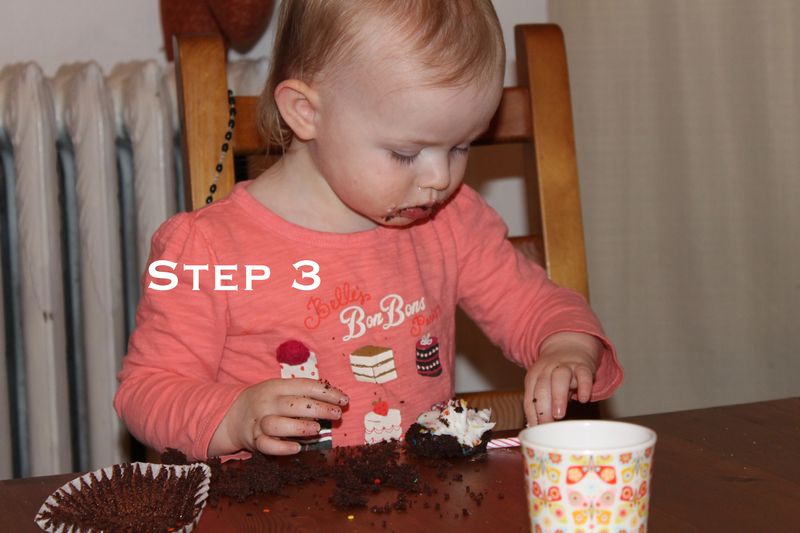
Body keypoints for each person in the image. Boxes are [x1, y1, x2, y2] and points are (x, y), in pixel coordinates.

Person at [115, 0, 623, 460]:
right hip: (275, 514)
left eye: (461, 146)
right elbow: (146, 391)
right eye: (406, 153)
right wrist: (234, 415)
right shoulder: (205, 250)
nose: (439, 178)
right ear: (306, 112)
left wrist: (566, 346)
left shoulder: (450, 221)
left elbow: (536, 305)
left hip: (425, 503)